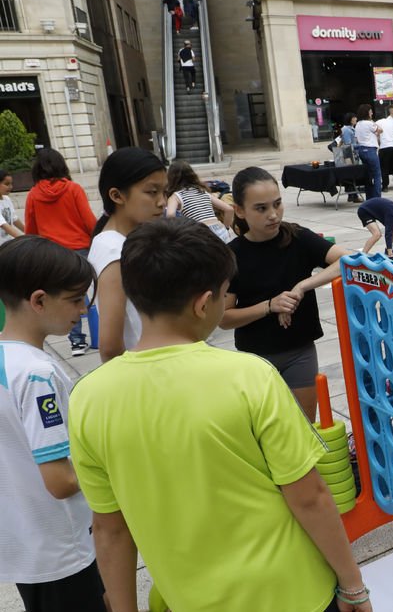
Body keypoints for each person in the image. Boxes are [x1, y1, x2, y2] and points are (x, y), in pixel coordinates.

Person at [69, 218, 372, 612]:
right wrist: (353, 585)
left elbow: (110, 530)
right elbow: (310, 496)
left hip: (188, 598)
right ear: (202, 303)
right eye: (225, 294)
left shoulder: (89, 398)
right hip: (292, 591)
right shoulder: (249, 377)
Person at [0, 236, 106, 612]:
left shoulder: (6, 360)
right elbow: (61, 481)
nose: (82, 310)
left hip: (23, 543)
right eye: (76, 299)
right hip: (62, 548)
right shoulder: (38, 375)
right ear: (39, 300)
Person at [221, 167, 352, 421]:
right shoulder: (232, 255)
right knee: (268, 433)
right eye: (261, 208)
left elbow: (346, 261)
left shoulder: (296, 236)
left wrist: (302, 286)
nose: (273, 215)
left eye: (278, 204)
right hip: (255, 358)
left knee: (304, 429)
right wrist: (270, 305)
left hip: (299, 352)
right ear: (239, 210)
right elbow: (224, 318)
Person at [89, 148, 166, 363]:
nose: (162, 202)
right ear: (116, 195)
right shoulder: (114, 251)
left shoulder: (126, 242)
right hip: (145, 373)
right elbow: (110, 346)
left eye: (164, 192)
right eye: (152, 192)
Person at [23, 149, 97, 355]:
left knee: (66, 296)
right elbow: (88, 220)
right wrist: (97, 238)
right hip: (79, 249)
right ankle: (99, 334)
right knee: (85, 294)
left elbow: (31, 230)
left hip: (52, 254)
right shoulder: (73, 189)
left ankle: (75, 341)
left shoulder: (33, 195)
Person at [164, 160, 234, 243]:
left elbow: (170, 214)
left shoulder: (175, 196)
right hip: (219, 230)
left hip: (200, 233)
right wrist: (226, 228)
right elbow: (229, 209)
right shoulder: (202, 191)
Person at [353, 104, 383, 200]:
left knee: (368, 176)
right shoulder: (369, 123)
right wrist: (374, 123)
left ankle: (369, 198)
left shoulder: (358, 124)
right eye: (370, 111)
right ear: (367, 113)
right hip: (370, 150)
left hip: (361, 150)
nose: (372, 113)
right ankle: (377, 198)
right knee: (377, 175)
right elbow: (380, 130)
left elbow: (357, 139)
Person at [377, 105, 393, 193]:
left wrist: (379, 142)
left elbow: (377, 134)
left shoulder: (380, 122)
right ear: (390, 110)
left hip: (384, 147)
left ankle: (385, 186)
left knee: (385, 168)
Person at [0, 167, 23, 243]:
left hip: (9, 242)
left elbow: (14, 218)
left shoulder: (7, 199)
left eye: (11, 184)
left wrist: (30, 232)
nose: (10, 187)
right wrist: (24, 239)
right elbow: (4, 225)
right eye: (6, 184)